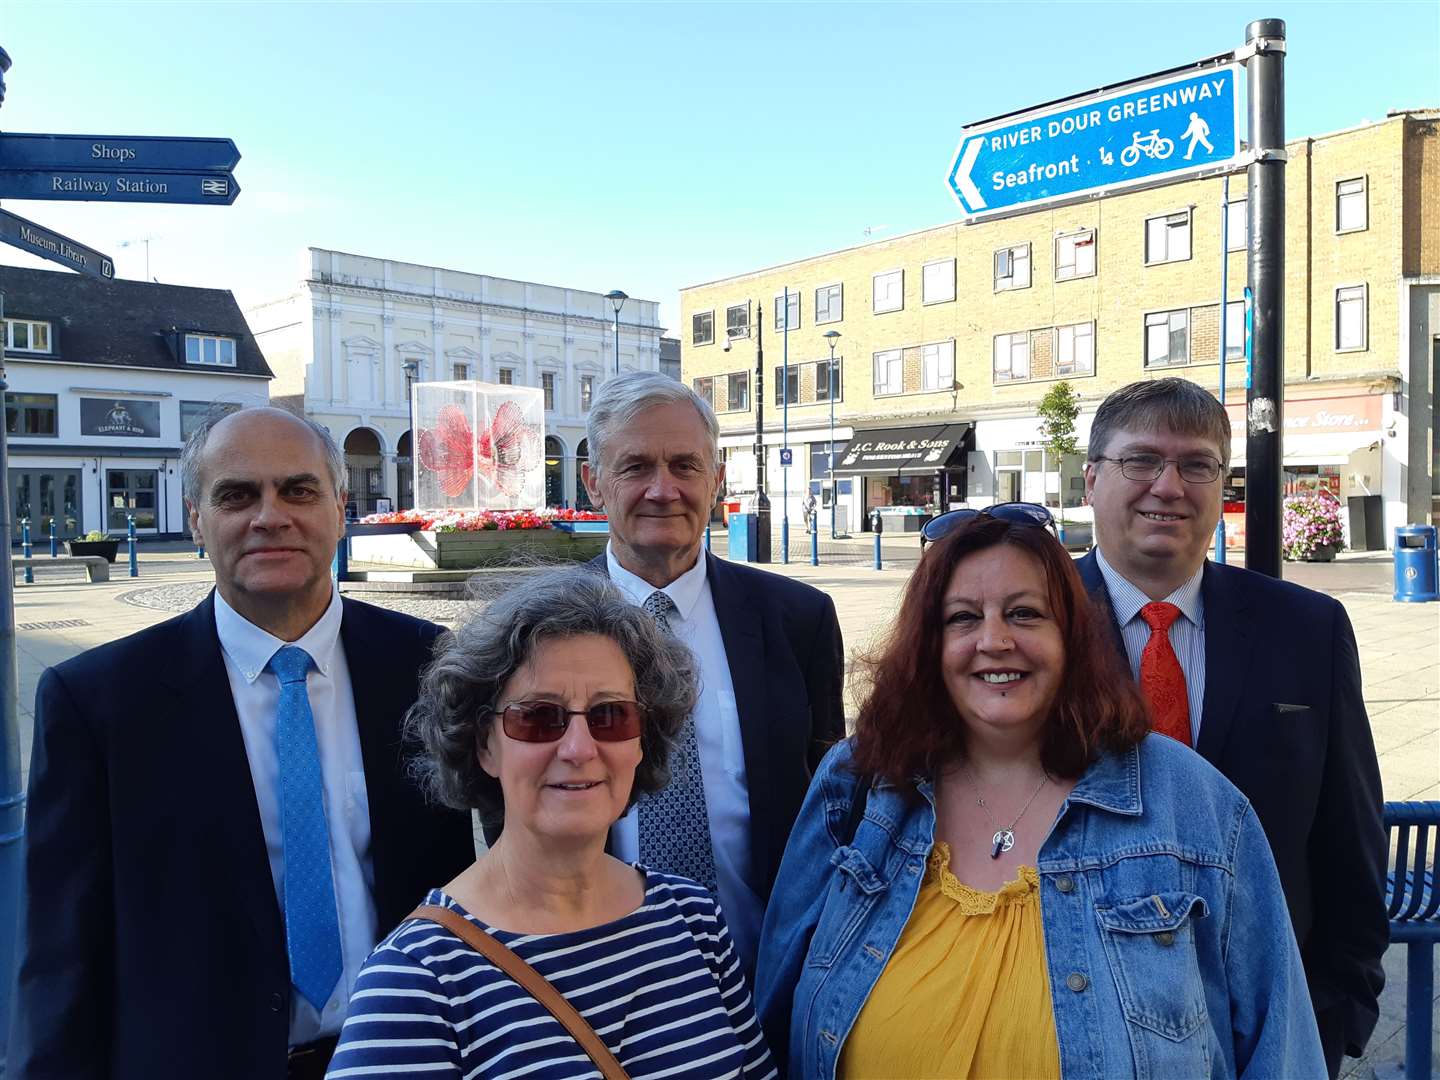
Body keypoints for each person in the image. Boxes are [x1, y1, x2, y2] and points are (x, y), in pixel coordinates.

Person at [756, 506, 1325, 1078]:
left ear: (1072, 637)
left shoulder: (1194, 804)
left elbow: (1282, 1047)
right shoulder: (860, 783)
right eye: (962, 618)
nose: (994, 640)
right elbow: (774, 1021)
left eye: (1025, 614)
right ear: (928, 645)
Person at [10, 407, 476, 1080]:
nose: (270, 515)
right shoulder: (99, 702)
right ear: (197, 517)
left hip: (406, 1056)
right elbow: (61, 955)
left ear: (340, 508)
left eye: (298, 489)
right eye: (237, 494)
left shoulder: (427, 666)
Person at [328, 568, 777, 1077]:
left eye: (611, 716)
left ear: (641, 742)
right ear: (482, 745)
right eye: (539, 717)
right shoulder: (417, 981)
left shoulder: (694, 921)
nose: (580, 749)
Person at [1078, 377, 1386, 1076]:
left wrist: (1340, 1016)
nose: (1169, 485)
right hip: (1074, 1013)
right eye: (1141, 461)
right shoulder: (1028, 624)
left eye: (1197, 465)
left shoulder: (1307, 630)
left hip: (1265, 1025)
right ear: (1092, 479)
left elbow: (1350, 838)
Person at [574, 371, 846, 976]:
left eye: (684, 465)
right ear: (594, 483)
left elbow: (830, 797)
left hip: (770, 973)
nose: (662, 489)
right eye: (636, 466)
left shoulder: (799, 619)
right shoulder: (539, 628)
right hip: (594, 980)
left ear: (717, 479)